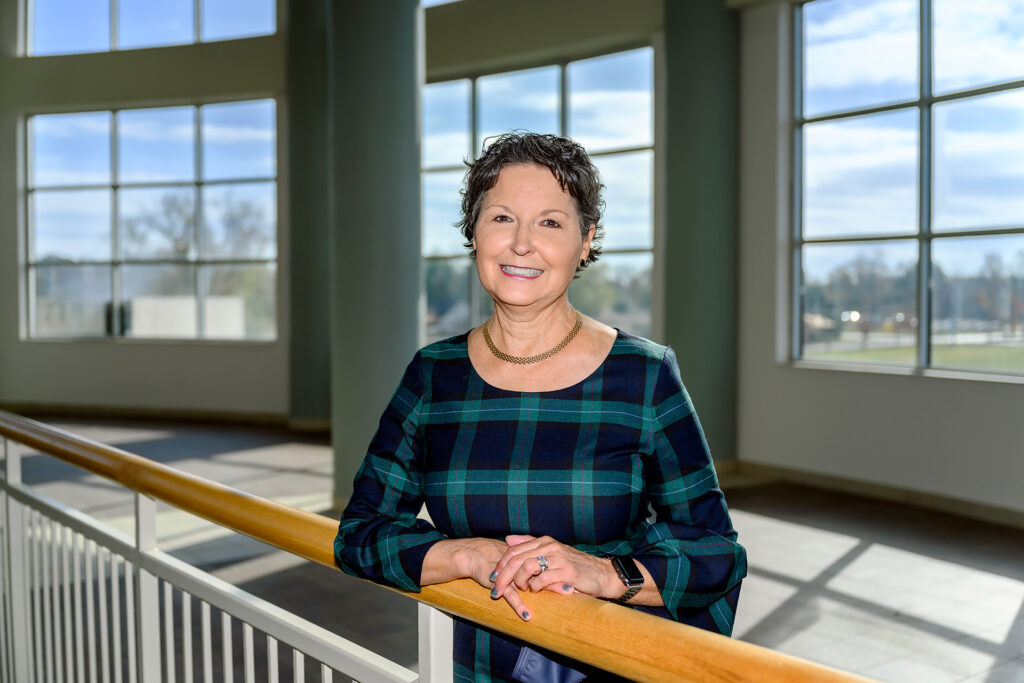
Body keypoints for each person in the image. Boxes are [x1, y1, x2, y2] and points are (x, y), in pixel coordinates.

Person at [335, 132, 746, 681]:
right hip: (472, 666)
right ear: (474, 233)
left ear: (585, 241)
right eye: (502, 218)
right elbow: (361, 533)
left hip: (602, 663)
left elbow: (715, 550)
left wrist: (606, 572)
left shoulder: (643, 374)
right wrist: (465, 555)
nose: (522, 244)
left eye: (550, 222)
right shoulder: (434, 375)